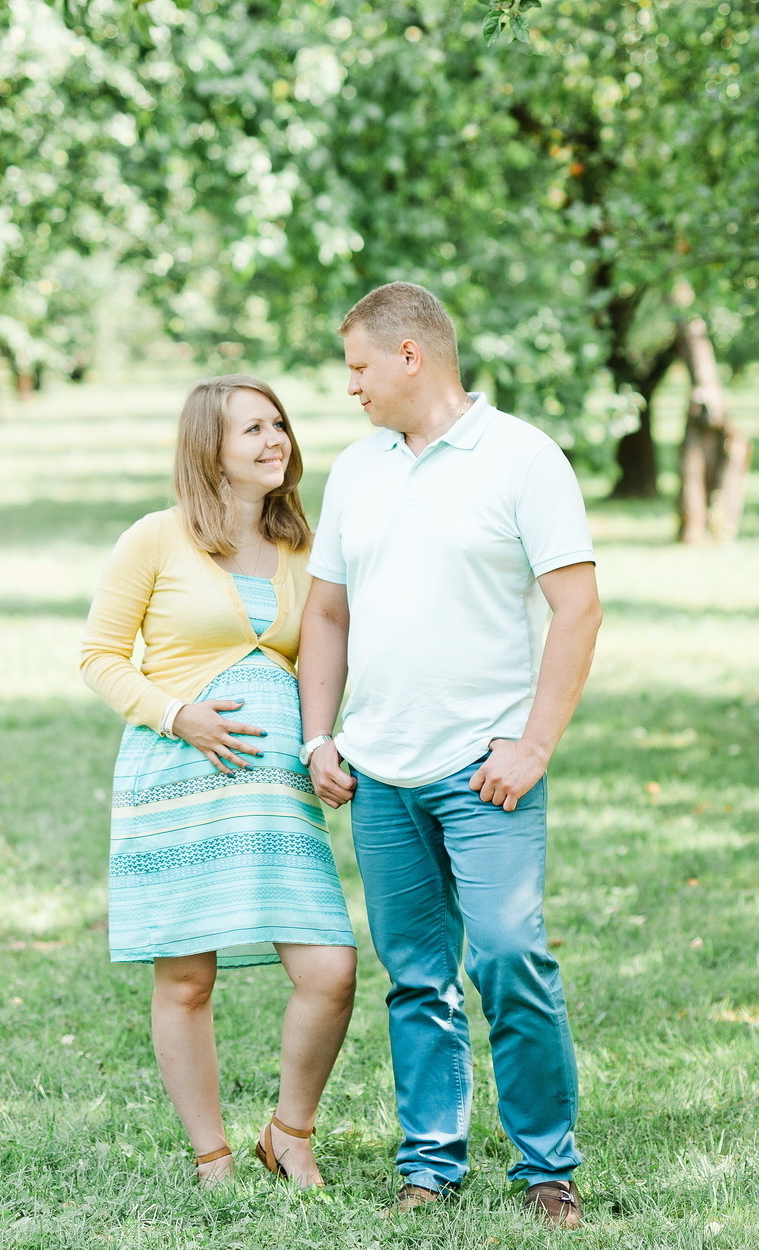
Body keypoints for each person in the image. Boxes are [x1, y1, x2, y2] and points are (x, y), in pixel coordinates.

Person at [298, 284, 602, 1226]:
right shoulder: (356, 469)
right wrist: (319, 735)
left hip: (485, 770)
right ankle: (429, 1164)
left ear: (410, 356)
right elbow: (327, 614)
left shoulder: (523, 457)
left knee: (509, 957)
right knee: (416, 976)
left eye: (359, 367)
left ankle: (547, 1167)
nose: (351, 386)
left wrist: (534, 743)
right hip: (380, 773)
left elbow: (578, 608)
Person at [80, 375, 356, 1189]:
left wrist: (323, 742)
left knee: (330, 971)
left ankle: (288, 1134)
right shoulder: (155, 538)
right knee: (187, 978)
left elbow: (325, 654)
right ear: (211, 449)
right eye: (252, 430)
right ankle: (213, 1157)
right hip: (178, 781)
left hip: (276, 791)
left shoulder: (306, 548)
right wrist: (178, 716)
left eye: (278, 424)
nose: (275, 440)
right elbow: (99, 656)